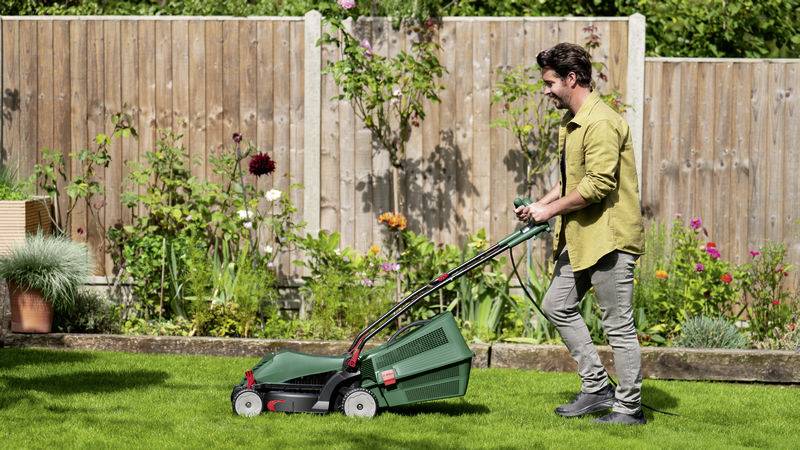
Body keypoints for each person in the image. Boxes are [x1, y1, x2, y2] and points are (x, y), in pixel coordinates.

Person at [515, 43, 646, 425]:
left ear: (571, 79)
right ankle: (596, 388)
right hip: (582, 237)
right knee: (557, 304)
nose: (545, 91)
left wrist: (549, 211)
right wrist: (539, 205)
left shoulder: (600, 122)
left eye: (550, 83)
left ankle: (629, 407)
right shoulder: (573, 123)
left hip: (610, 238)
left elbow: (599, 184)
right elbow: (573, 180)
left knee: (617, 325)